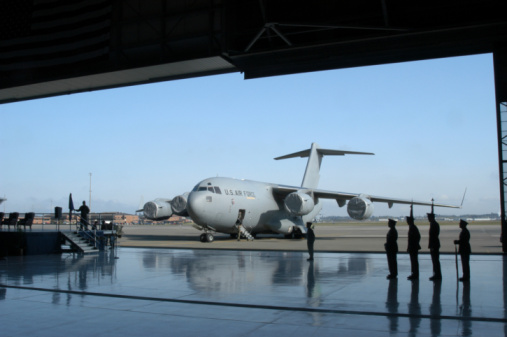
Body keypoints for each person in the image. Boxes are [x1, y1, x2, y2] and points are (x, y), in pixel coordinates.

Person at [407, 205, 421, 280]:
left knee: (414, 261)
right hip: (412, 247)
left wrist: (415, 244)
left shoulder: (413, 228)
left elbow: (417, 237)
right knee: (413, 261)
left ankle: (415, 274)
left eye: (408, 220)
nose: (407, 222)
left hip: (413, 247)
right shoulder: (412, 227)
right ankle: (414, 274)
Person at [428, 209, 442, 281]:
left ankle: (437, 275)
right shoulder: (433, 224)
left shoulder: (434, 224)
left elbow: (433, 236)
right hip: (434, 244)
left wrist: (432, 246)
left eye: (429, 217)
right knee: (435, 261)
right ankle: (436, 274)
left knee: (435, 261)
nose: (428, 219)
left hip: (434, 245)